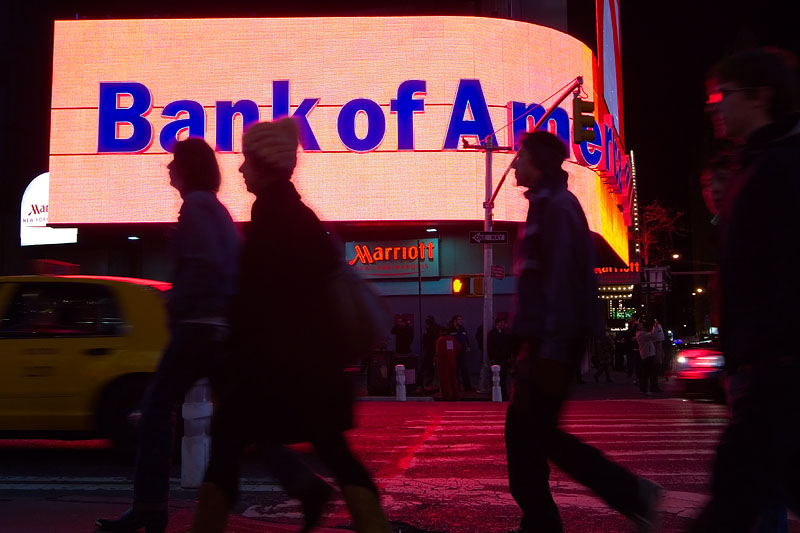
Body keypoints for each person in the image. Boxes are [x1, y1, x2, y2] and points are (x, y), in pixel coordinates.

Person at [192, 118, 391, 533]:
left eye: (247, 161)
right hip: (312, 371)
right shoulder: (299, 214)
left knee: (226, 450)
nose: (242, 170)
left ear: (263, 165)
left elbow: (258, 300)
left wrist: (231, 351)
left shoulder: (270, 216)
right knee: (336, 454)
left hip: (274, 371)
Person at [504, 130, 661, 533]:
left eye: (520, 155)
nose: (514, 162)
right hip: (543, 340)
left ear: (537, 162)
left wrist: (550, 350)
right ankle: (541, 520)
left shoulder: (557, 207)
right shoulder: (546, 204)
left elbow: (560, 283)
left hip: (551, 341)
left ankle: (628, 492)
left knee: (537, 434)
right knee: (526, 435)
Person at [95, 138, 241, 533]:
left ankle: (149, 507)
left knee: (157, 409)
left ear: (188, 167)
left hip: (196, 329)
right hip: (220, 330)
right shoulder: (220, 211)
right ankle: (300, 482)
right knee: (244, 418)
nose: (168, 168)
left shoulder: (195, 206)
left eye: (174, 161)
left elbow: (202, 265)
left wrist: (176, 304)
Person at [690, 48, 800, 533]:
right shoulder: (753, 164)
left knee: (732, 502)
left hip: (777, 367)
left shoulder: (781, 167)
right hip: (765, 365)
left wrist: (765, 352)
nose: (715, 106)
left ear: (761, 96)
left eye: (723, 95)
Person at [487, 317, 514, 399]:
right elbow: (490, 346)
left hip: (504, 357)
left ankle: (503, 394)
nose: (502, 324)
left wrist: (509, 356)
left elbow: (508, 346)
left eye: (503, 322)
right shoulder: (492, 334)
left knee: (503, 376)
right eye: (500, 322)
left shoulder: (505, 334)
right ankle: (494, 393)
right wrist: (492, 357)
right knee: (495, 376)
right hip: (496, 357)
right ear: (497, 323)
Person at [435, 325, 462, 401]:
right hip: (452, 362)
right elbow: (459, 349)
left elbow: (439, 353)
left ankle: (447, 396)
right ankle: (455, 395)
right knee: (453, 379)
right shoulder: (452, 339)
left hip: (443, 363)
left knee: (444, 380)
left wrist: (436, 360)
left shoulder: (440, 340)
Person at [634, 321, 661, 395]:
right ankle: (644, 389)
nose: (642, 325)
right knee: (646, 373)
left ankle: (644, 389)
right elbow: (653, 335)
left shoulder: (642, 334)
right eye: (640, 325)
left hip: (647, 354)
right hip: (647, 355)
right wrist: (655, 327)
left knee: (646, 373)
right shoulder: (641, 334)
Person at [451, 314, 473, 391]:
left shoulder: (462, 329)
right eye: (459, 319)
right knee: (455, 370)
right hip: (454, 353)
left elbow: (466, 338)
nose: (460, 321)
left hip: (462, 352)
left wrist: (468, 346)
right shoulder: (450, 329)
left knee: (464, 369)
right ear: (454, 320)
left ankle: (467, 386)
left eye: (461, 319)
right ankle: (457, 385)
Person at [420, 315, 440, 392]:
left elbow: (427, 341)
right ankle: (430, 383)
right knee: (432, 368)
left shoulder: (429, 331)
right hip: (433, 350)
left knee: (425, 367)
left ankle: (424, 383)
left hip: (429, 351)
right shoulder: (436, 329)